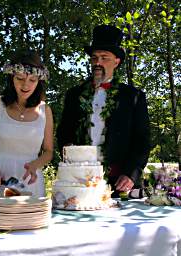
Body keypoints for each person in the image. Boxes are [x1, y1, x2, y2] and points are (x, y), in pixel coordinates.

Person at [57, 25, 150, 197]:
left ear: (116, 61)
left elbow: (142, 140)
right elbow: (63, 133)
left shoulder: (133, 96)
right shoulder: (74, 95)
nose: (98, 63)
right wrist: (69, 155)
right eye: (94, 58)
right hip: (80, 181)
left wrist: (131, 173)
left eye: (104, 57)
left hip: (121, 183)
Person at [0, 49, 53, 197]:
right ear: (12, 78)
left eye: (32, 80)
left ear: (39, 81)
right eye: (20, 79)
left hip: (30, 183)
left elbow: (48, 151)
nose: (25, 85)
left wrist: (35, 165)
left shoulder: (45, 110)